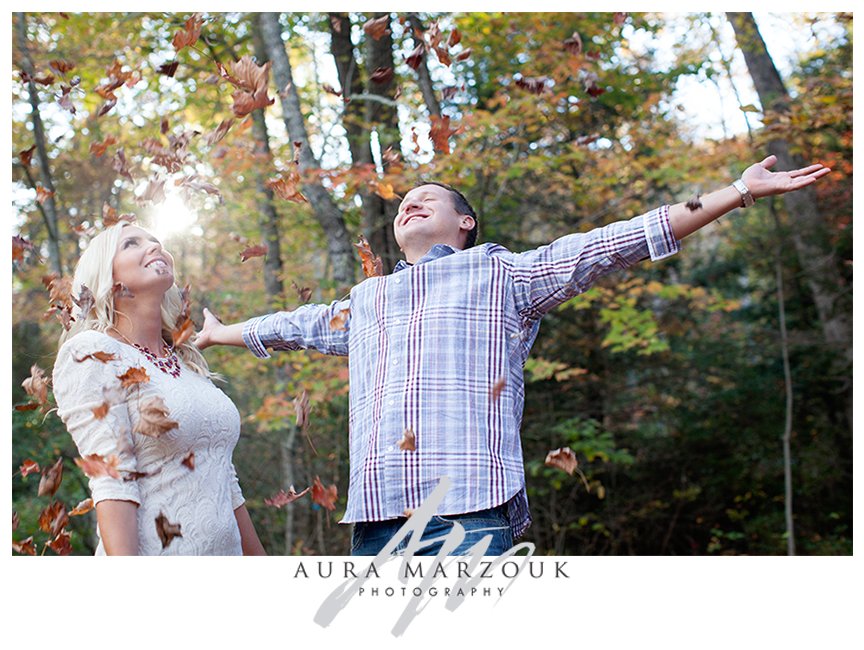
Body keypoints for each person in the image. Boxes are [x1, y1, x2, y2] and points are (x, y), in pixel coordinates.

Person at [195, 154, 829, 556]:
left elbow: (616, 243)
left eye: (430, 196)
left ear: (465, 223)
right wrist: (220, 333)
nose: (410, 202)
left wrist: (734, 193)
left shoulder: (501, 275)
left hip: (468, 509)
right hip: (377, 516)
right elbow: (293, 325)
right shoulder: (367, 300)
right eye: (403, 202)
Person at [53, 222, 266, 555]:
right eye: (132, 243)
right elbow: (113, 480)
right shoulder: (92, 351)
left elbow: (225, 482)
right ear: (106, 275)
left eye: (156, 241)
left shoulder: (186, 362)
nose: (155, 247)